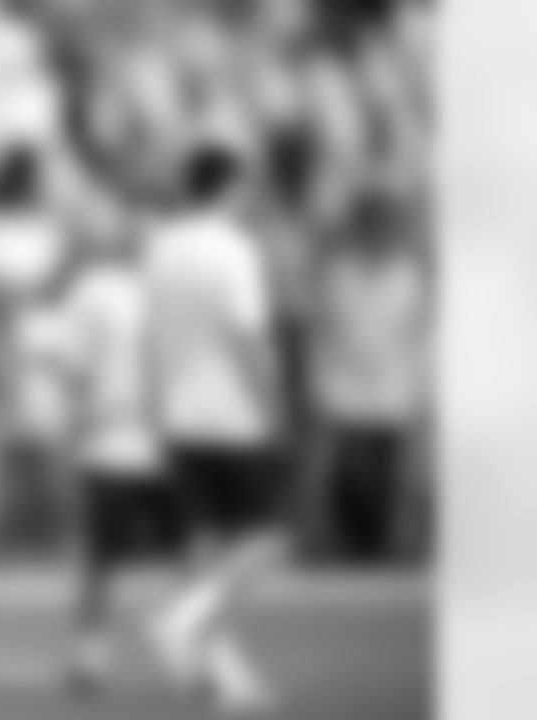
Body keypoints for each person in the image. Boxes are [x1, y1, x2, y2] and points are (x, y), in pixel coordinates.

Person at [145, 142, 284, 713]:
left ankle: (221, 675)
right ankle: (182, 621)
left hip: (178, 414)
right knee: (267, 540)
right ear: (230, 186)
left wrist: (154, 406)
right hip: (233, 415)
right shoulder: (234, 250)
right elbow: (247, 334)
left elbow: (151, 335)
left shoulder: (161, 246)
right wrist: (275, 402)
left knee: (205, 549)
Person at [51, 180, 176, 694]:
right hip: (114, 442)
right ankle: (91, 651)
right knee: (103, 558)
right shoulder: (96, 289)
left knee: (184, 555)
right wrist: (76, 427)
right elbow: (74, 369)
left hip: (165, 442)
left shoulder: (170, 287)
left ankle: (196, 643)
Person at [308, 190, 432, 563]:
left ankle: (377, 545)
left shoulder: (407, 275)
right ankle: (352, 543)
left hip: (392, 386)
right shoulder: (338, 273)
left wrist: (421, 384)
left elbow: (417, 332)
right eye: (370, 227)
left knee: (386, 470)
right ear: (358, 229)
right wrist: (320, 381)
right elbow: (326, 328)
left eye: (384, 228)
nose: (377, 235)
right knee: (350, 472)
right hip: (345, 387)